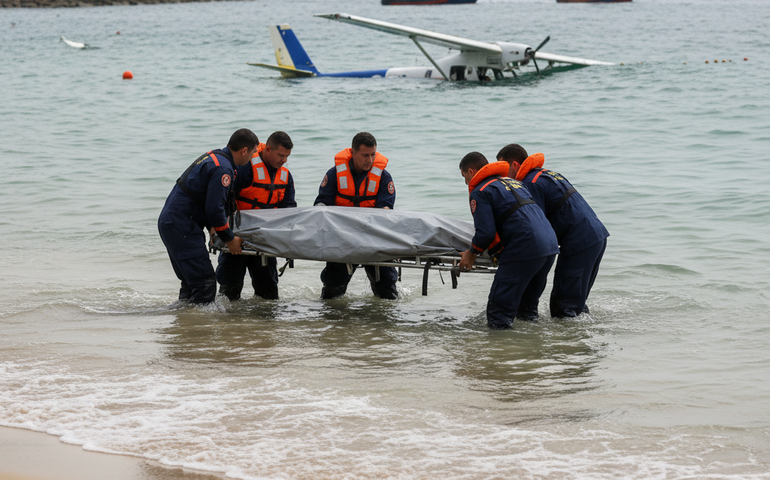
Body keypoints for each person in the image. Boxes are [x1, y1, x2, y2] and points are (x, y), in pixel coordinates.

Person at [497, 144, 609, 318]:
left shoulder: (529, 184)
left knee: (564, 307)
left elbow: (536, 224)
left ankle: (568, 343)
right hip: (597, 236)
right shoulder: (548, 174)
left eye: (503, 168)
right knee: (576, 302)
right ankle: (585, 336)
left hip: (578, 241)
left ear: (515, 165)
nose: (502, 176)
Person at [457, 152, 559, 329]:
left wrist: (471, 253)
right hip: (549, 245)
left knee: (498, 313)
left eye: (464, 176)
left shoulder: (481, 192)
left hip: (524, 247)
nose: (466, 182)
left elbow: (486, 233)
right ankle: (532, 352)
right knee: (526, 311)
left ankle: (499, 353)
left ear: (471, 172)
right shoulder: (514, 183)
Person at [158, 129, 258, 304]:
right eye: (251, 154)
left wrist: (214, 228)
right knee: (205, 283)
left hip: (174, 223)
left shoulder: (215, 157)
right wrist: (230, 238)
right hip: (182, 226)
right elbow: (214, 209)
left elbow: (203, 200)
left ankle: (186, 324)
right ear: (244, 150)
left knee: (191, 284)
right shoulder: (223, 169)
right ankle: (200, 328)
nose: (251, 159)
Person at [314, 132, 398, 300]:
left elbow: (386, 209)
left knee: (387, 293)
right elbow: (321, 204)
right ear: (352, 153)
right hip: (342, 239)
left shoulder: (383, 177)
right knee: (332, 292)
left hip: (373, 239)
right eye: (365, 155)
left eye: (373, 154)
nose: (370, 159)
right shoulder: (334, 174)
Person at [215, 131, 297, 301]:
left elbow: (289, 211)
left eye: (287, 156)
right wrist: (221, 232)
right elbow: (223, 200)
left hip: (265, 241)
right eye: (281, 155)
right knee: (229, 292)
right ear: (267, 149)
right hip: (237, 238)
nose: (284, 160)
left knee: (268, 295)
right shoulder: (245, 167)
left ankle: (262, 327)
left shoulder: (286, 177)